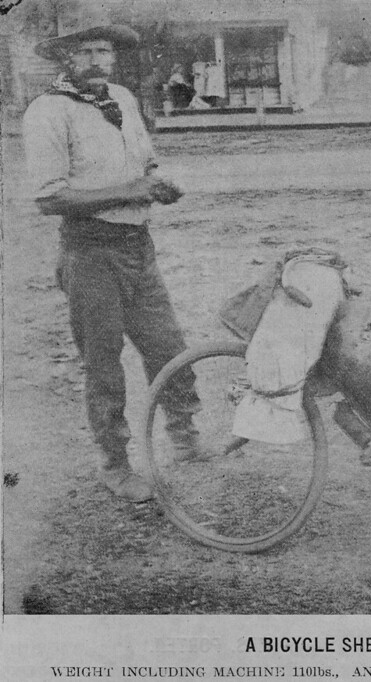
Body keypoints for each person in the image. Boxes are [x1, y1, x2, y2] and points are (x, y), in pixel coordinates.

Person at [23, 9, 205, 503]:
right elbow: (49, 199)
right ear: (64, 56)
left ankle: (186, 439)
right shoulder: (48, 111)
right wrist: (132, 189)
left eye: (104, 50)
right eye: (83, 50)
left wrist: (160, 182)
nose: (96, 59)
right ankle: (115, 463)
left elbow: (145, 161)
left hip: (137, 247)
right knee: (103, 365)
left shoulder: (122, 99)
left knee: (169, 346)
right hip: (90, 251)